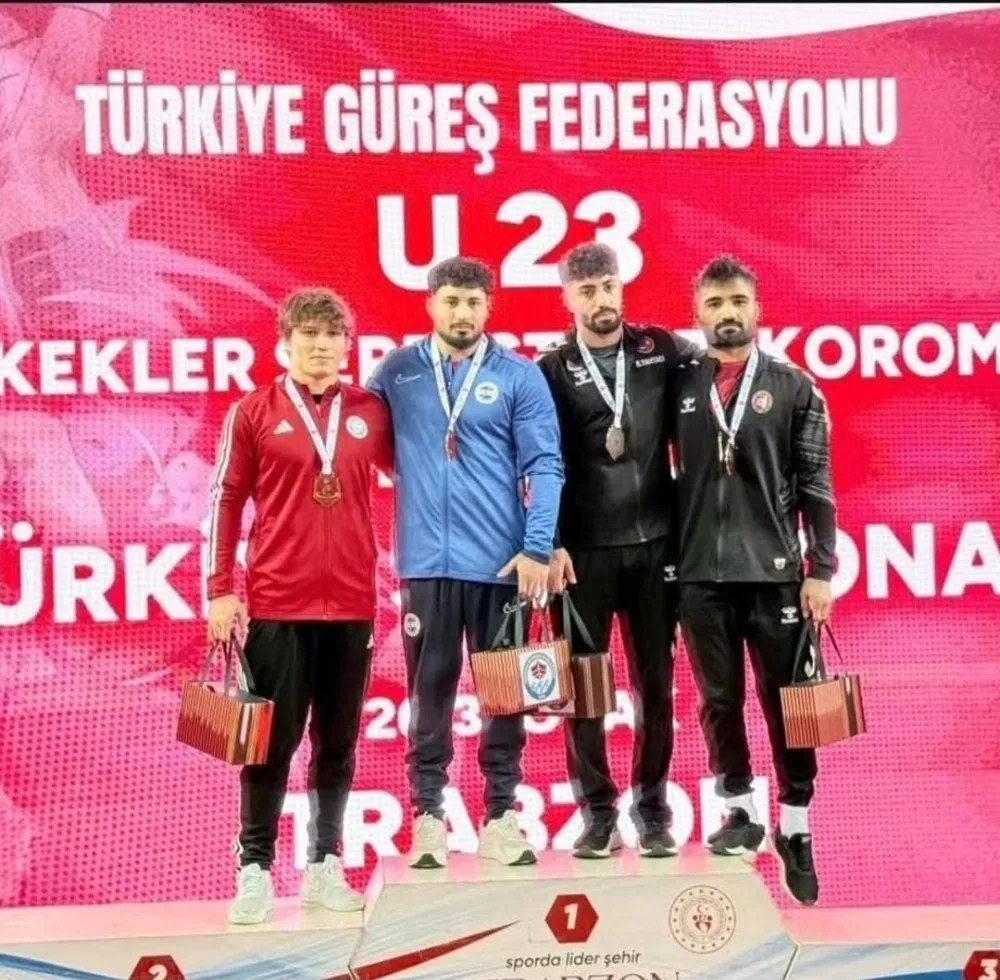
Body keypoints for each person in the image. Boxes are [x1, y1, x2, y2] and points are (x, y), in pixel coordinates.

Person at [367, 256, 564, 869]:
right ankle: (428, 816)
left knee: (506, 697)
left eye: (474, 302)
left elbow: (545, 465)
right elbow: (370, 449)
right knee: (429, 693)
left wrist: (536, 547)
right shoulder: (396, 372)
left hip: (501, 566)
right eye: (451, 300)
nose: (462, 312)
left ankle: (501, 816)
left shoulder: (518, 375)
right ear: (430, 304)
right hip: (426, 566)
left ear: (489, 307)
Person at [206, 287, 393, 925]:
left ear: (347, 344)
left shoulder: (370, 410)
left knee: (337, 744)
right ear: (284, 343)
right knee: (271, 744)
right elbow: (226, 499)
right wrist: (220, 588)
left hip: (353, 604)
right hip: (278, 604)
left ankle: (325, 863)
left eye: (332, 334)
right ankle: (254, 869)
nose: (321, 345)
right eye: (308, 334)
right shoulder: (252, 412)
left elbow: (421, 475)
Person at [672, 255, 836, 906]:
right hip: (699, 576)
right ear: (697, 313)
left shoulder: (796, 387)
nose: (727, 313)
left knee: (789, 704)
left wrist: (821, 569)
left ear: (757, 308)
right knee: (718, 701)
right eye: (714, 303)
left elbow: (817, 483)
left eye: (738, 301)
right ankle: (738, 810)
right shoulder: (678, 385)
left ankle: (795, 824)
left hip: (775, 577)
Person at [536, 242, 697, 859]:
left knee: (655, 689)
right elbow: (539, 462)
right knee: (584, 690)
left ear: (620, 287)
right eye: (586, 290)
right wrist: (549, 543)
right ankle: (598, 814)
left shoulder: (662, 349)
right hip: (582, 556)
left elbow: (725, 373)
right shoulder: (550, 370)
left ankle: (652, 812)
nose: (600, 299)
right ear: (566, 298)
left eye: (608, 286)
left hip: (657, 547)